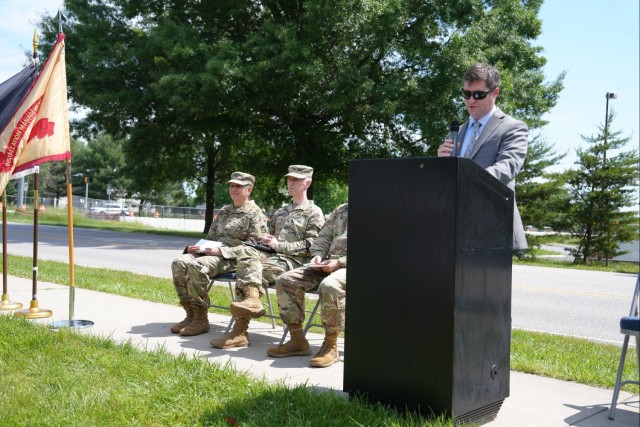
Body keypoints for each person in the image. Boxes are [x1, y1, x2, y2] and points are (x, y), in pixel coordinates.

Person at [211, 165, 325, 349]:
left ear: (308, 183)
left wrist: (279, 245)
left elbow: (313, 245)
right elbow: (268, 238)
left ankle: (241, 329)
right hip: (271, 256)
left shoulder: (314, 212)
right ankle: (251, 305)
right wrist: (265, 241)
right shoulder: (281, 212)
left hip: (294, 261)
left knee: (251, 275)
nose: (291, 182)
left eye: (296, 180)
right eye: (289, 179)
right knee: (246, 257)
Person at [437, 62, 528, 250]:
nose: (471, 100)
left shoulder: (513, 127)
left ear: (495, 93)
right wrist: (442, 165)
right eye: (466, 94)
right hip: (457, 227)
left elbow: (508, 166)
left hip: (493, 226)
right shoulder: (457, 131)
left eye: (478, 95)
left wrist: (469, 181)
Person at [170, 171, 268, 336]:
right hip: (213, 253)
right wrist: (197, 248)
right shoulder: (224, 211)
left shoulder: (255, 214)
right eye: (231, 185)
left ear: (249, 190)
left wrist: (220, 251)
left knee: (197, 265)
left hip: (233, 258)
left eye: (238, 186)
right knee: (179, 262)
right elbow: (211, 237)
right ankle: (191, 313)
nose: (233, 189)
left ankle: (201, 318)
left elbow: (253, 248)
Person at [266, 202, 347, 368]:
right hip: (327, 262)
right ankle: (297, 340)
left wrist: (339, 262)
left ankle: (331, 346)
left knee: (330, 286)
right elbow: (323, 237)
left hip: (351, 265)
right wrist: (317, 256)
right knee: (286, 280)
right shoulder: (341, 209)